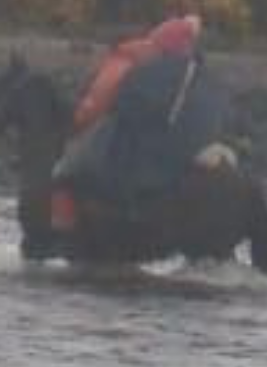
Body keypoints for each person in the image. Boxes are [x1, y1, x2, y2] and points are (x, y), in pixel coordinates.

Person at [48, 14, 207, 235]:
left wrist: (78, 122)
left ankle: (63, 229)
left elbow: (98, 100)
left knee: (63, 172)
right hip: (173, 143)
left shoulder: (126, 59)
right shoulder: (189, 71)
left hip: (119, 136)